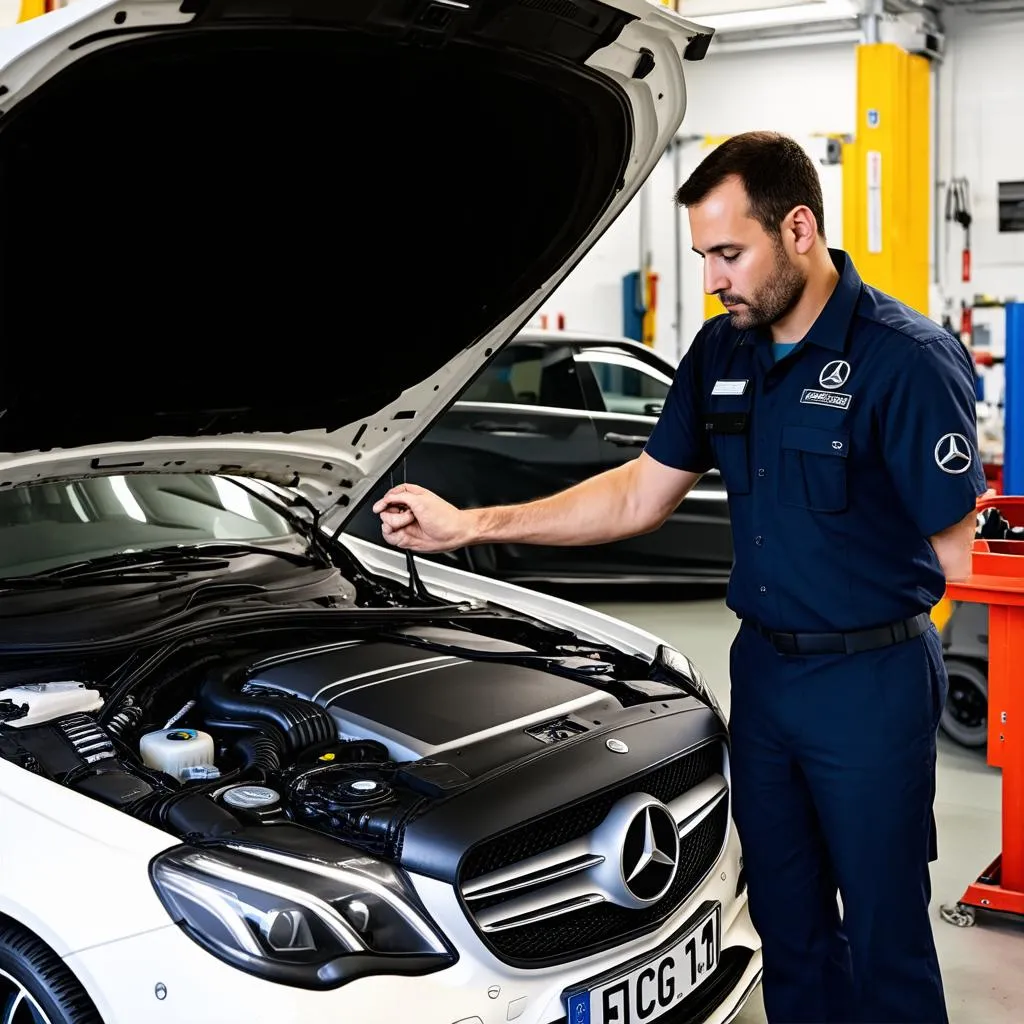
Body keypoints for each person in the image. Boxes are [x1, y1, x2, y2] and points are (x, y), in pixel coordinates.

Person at [373, 131, 987, 1024]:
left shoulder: (906, 359)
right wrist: (471, 524)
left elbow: (962, 556)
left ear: (800, 230)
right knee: (787, 921)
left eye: (729, 253)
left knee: (887, 934)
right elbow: (636, 496)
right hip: (767, 680)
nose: (713, 278)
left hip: (872, 681)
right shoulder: (721, 351)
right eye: (704, 255)